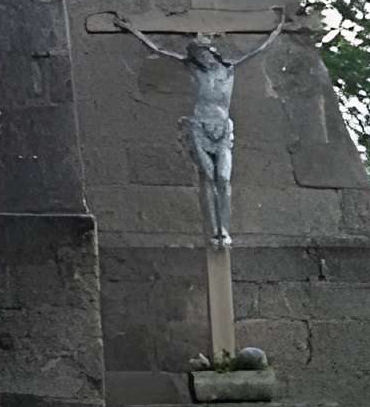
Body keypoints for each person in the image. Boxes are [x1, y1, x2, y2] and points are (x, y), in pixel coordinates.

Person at [113, 17, 288, 247]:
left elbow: (259, 49)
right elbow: (157, 50)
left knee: (223, 178)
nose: (202, 58)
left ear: (212, 53)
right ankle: (214, 229)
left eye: (203, 53)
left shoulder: (229, 69)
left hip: (222, 129)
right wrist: (131, 29)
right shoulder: (194, 70)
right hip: (199, 127)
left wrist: (278, 27)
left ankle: (224, 229)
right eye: (197, 55)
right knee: (208, 177)